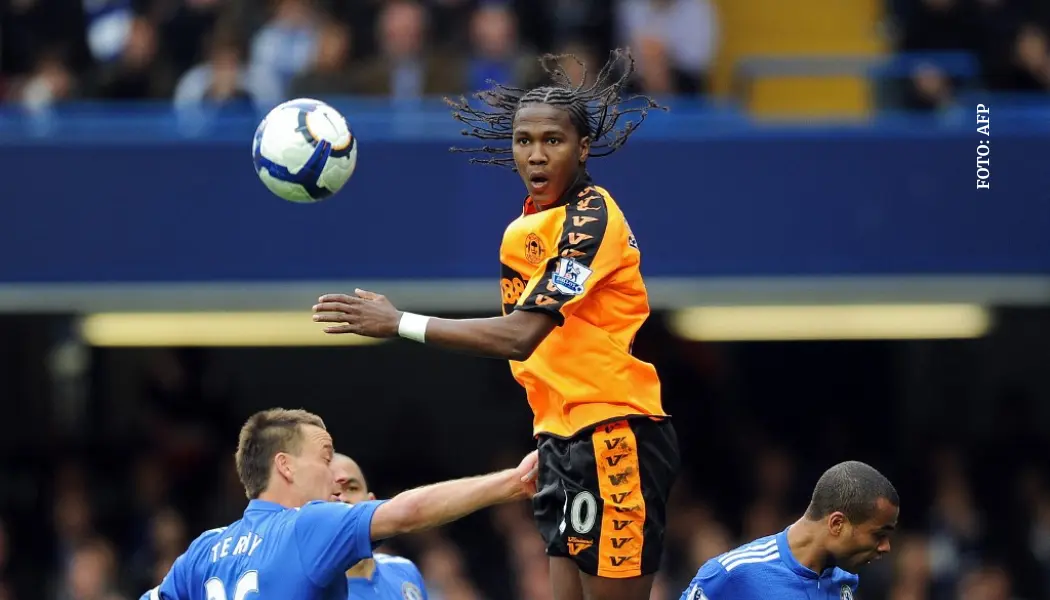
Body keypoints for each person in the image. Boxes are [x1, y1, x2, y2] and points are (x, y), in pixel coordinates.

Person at [311, 49, 679, 600]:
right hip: (558, 437)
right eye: (523, 140)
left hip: (612, 431)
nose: (535, 155)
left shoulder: (591, 218)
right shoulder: (522, 230)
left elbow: (522, 335)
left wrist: (400, 322)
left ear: (582, 148)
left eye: (552, 141)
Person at [139, 408, 536, 600]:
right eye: (326, 458)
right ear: (286, 466)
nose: (335, 476)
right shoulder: (309, 526)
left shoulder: (206, 548)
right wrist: (513, 481)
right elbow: (409, 511)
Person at [680, 461, 900, 600]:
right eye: (879, 534)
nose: (885, 547)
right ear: (836, 524)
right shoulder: (733, 573)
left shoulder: (845, 581)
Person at [330, 453, 428, 599]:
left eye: (352, 488)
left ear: (371, 502)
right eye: (332, 492)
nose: (343, 499)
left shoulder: (404, 570)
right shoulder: (307, 589)